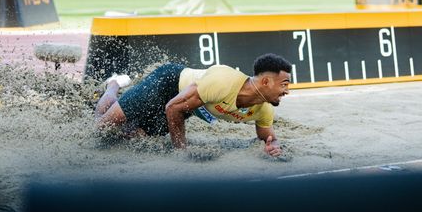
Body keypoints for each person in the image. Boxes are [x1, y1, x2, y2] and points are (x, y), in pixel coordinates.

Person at [94, 53, 292, 157]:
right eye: (284, 84)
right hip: (168, 83)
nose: (287, 91)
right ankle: (114, 84)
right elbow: (173, 107)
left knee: (129, 136)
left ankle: (120, 100)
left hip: (186, 106)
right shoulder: (224, 81)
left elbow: (269, 138)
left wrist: (273, 146)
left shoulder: (263, 109)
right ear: (265, 82)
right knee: (103, 127)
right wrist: (182, 152)